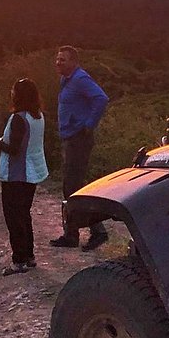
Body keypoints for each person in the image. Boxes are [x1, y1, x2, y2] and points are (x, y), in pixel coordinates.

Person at [49, 45, 110, 251]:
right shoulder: (66, 80)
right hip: (70, 137)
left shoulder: (80, 79)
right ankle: (72, 234)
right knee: (71, 186)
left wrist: (89, 124)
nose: (58, 63)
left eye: (63, 60)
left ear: (74, 62)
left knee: (74, 187)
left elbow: (101, 98)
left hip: (78, 139)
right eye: (57, 59)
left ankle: (96, 231)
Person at [0, 78, 49, 275]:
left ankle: (19, 260)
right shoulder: (38, 116)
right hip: (32, 172)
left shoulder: (18, 118)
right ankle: (29, 256)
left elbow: (14, 149)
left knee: (14, 218)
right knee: (24, 215)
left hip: (16, 174)